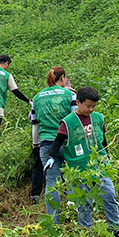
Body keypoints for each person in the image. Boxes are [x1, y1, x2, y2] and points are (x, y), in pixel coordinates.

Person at [46, 87, 119, 237]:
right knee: (83, 203)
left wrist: (106, 155)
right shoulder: (68, 122)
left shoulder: (98, 118)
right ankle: (86, 233)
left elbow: (102, 140)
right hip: (79, 169)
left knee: (109, 195)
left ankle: (115, 229)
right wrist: (51, 157)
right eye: (88, 106)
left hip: (100, 166)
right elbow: (58, 141)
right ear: (78, 102)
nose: (91, 109)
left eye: (94, 106)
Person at [32, 66, 77, 214]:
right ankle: (73, 212)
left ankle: (53, 220)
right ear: (63, 77)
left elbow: (34, 121)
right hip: (67, 143)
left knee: (52, 182)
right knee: (73, 177)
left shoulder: (37, 97)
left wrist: (35, 144)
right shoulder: (69, 94)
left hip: (46, 144)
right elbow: (74, 118)